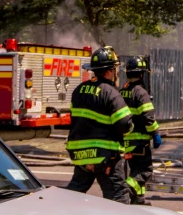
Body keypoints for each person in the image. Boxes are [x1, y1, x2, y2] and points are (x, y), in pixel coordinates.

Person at [66, 46, 133, 204]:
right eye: (115, 69)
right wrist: (130, 130)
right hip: (105, 157)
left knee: (75, 193)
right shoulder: (110, 92)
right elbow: (125, 124)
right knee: (118, 196)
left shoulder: (78, 90)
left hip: (81, 156)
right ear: (109, 71)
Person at [120, 56, 161, 205]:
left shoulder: (121, 92)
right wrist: (155, 133)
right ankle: (125, 191)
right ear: (141, 74)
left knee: (135, 171)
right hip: (140, 142)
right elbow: (148, 118)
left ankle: (138, 199)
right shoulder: (141, 93)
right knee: (145, 171)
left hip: (125, 141)